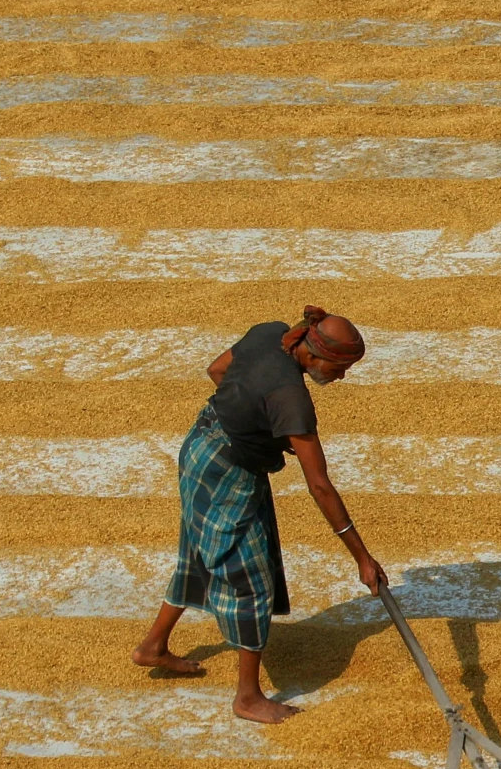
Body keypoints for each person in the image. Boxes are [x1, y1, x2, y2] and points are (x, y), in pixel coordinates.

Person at [131, 307, 386, 724]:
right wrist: (361, 556)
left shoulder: (269, 333)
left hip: (199, 448)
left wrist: (250, 423)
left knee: (199, 549)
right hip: (230, 473)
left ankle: (152, 647)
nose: (340, 378)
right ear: (315, 356)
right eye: (340, 368)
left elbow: (217, 371)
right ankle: (248, 698)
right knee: (252, 580)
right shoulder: (292, 400)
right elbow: (319, 485)